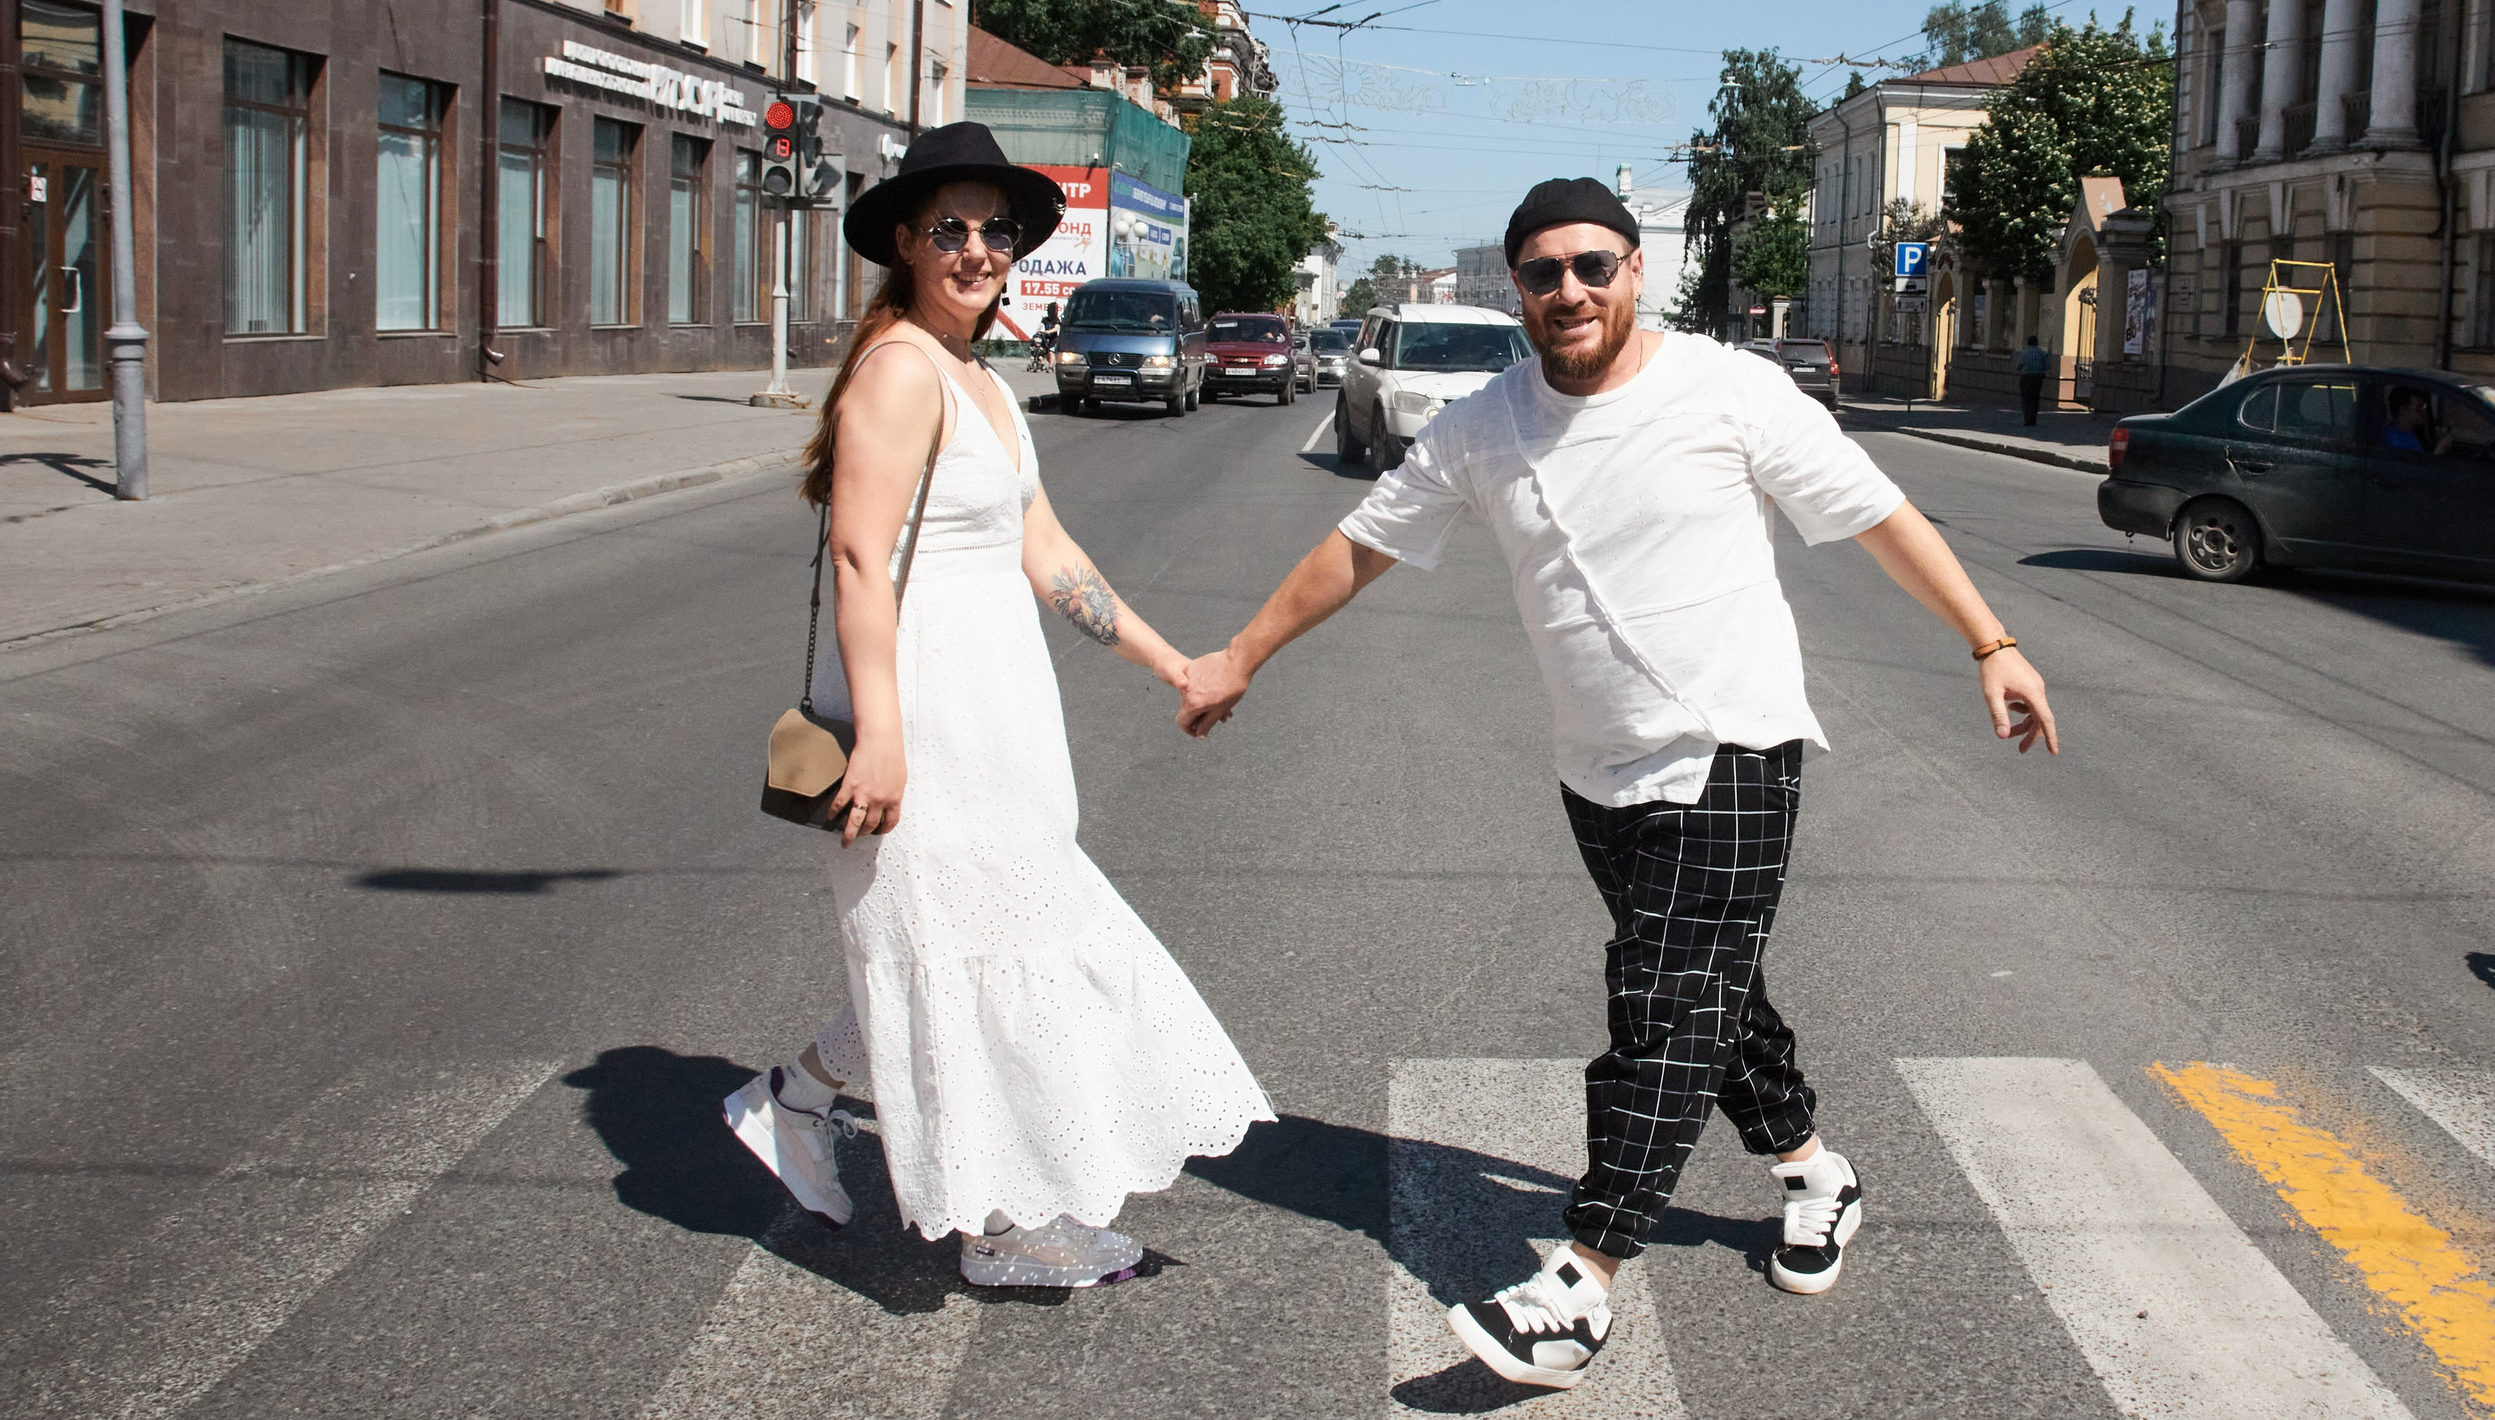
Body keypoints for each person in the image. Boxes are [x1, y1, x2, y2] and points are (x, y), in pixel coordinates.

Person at [1178, 177, 2059, 1391]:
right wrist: (1241, 653)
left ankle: (1581, 1279)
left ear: (1636, 270)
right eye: (1543, 273)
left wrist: (1989, 640)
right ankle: (1813, 1170)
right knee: (1713, 995)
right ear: (1519, 290)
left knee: (1661, 1001)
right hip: (1596, 768)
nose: (1569, 290)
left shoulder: (1730, 389)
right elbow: (1359, 544)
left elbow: (1876, 513)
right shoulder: (1487, 423)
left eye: (1593, 265)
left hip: (1735, 747)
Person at [724, 122, 1272, 1289]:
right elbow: (862, 560)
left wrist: (1170, 661)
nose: (978, 248)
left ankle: (797, 1101)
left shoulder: (982, 378)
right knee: (960, 960)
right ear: (909, 243)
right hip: (921, 720)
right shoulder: (899, 368)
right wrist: (880, 734)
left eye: (996, 229)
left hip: (997, 719)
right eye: (951, 228)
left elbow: (1049, 553)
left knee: (976, 952)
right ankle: (999, 1226)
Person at [2013, 335, 2051, 426]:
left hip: (2026, 377)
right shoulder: (2042, 353)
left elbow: (2019, 366)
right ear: (2037, 343)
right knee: (2035, 398)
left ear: (2028, 343)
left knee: (2026, 398)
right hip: (2038, 377)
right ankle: (2033, 419)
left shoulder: (2024, 353)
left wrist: (2019, 370)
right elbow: (2047, 366)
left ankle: (2027, 419)